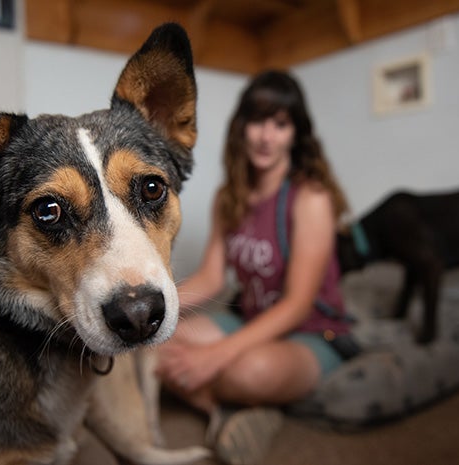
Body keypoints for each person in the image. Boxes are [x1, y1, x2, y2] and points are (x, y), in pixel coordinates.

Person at [156, 70, 351, 465]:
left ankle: (238, 395)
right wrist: (156, 308)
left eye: (280, 124)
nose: (266, 136)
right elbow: (212, 277)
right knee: (152, 347)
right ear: (242, 128)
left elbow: (298, 305)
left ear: (296, 134)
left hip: (313, 331)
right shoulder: (228, 197)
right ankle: (222, 410)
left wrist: (218, 354)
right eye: (258, 121)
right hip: (250, 318)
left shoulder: (310, 198)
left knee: (247, 372)